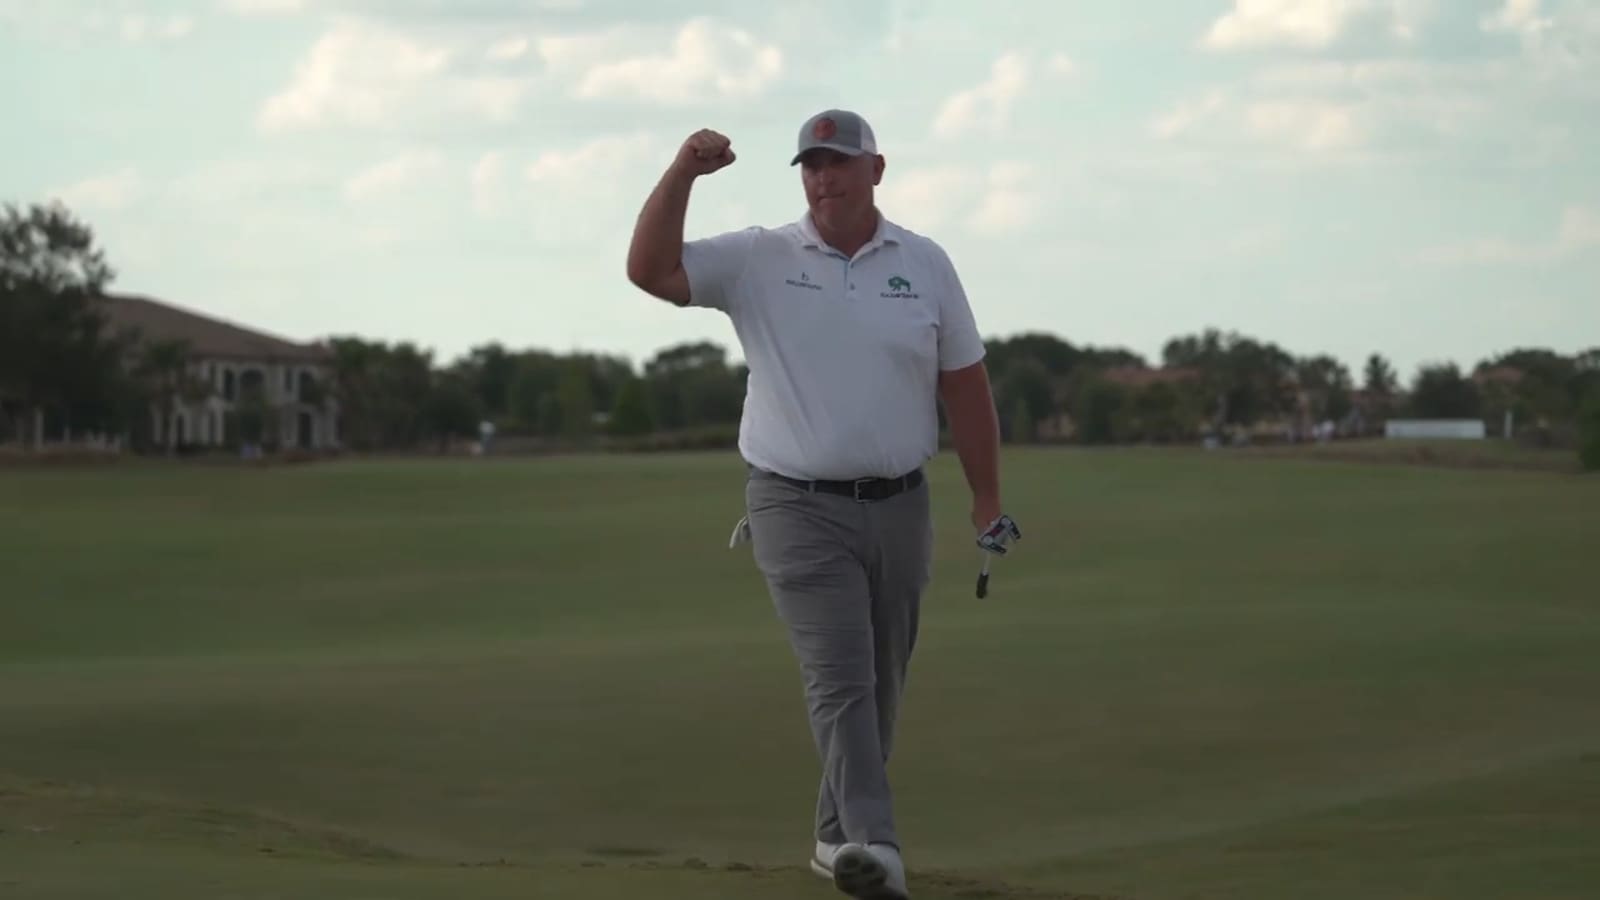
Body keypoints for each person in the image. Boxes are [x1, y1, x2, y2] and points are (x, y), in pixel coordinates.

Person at [625, 108, 1020, 900]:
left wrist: (986, 498)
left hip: (901, 504)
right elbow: (651, 271)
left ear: (876, 170)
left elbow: (965, 385)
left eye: (838, 162)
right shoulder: (760, 256)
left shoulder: (926, 263)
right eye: (811, 165)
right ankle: (877, 846)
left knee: (881, 683)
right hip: (793, 503)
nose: (823, 178)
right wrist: (682, 174)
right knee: (840, 677)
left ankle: (836, 837)